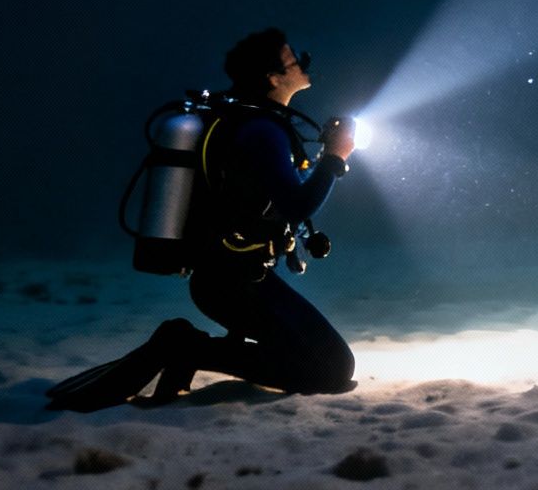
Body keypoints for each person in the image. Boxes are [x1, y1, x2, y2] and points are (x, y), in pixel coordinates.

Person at [46, 28, 357, 411]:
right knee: (332, 370)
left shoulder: (252, 120)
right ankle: (186, 347)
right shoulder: (261, 130)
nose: (304, 62)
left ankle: (190, 347)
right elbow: (297, 205)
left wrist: (327, 158)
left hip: (232, 278)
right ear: (274, 77)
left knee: (325, 361)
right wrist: (336, 157)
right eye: (294, 59)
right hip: (233, 284)